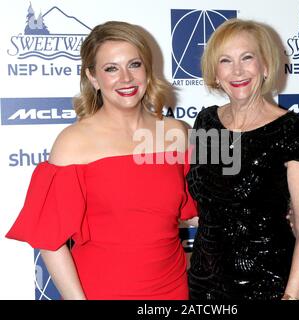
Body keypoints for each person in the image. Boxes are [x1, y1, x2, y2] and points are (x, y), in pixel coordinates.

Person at [6, 21, 197, 300]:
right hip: (102, 291)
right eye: (111, 68)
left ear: (147, 69)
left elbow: (194, 214)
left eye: (134, 64)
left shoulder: (175, 133)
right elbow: (51, 242)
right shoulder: (73, 143)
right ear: (93, 78)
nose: (126, 78)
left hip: (175, 290)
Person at [186, 18, 299, 300]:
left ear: (265, 65)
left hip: (268, 285)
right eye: (225, 61)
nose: (237, 70)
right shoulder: (206, 122)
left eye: (247, 57)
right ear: (216, 71)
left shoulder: (292, 130)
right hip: (203, 284)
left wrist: (292, 296)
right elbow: (209, 201)